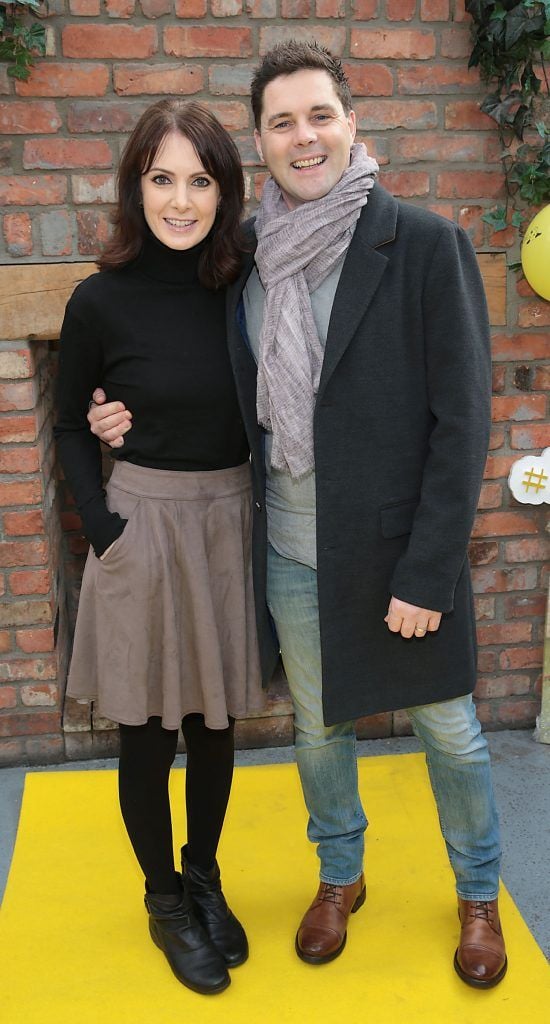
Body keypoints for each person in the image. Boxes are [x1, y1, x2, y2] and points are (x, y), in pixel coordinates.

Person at [88, 42, 507, 989]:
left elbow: (464, 421)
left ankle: (478, 893)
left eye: (319, 114)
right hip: (287, 543)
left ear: (352, 121)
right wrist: (106, 410)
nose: (302, 135)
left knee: (450, 729)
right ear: (263, 141)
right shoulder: (246, 263)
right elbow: (186, 374)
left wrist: (428, 570)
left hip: (401, 549)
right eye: (281, 121)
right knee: (318, 728)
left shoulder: (424, 244)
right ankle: (340, 875)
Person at [54, 98, 278, 997]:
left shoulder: (247, 283)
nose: (179, 201)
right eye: (161, 179)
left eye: (200, 180)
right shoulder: (98, 299)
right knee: (146, 734)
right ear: (134, 185)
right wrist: (103, 529)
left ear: (225, 191)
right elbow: (73, 423)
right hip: (141, 526)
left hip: (227, 522)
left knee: (213, 725)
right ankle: (163, 901)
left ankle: (205, 877)